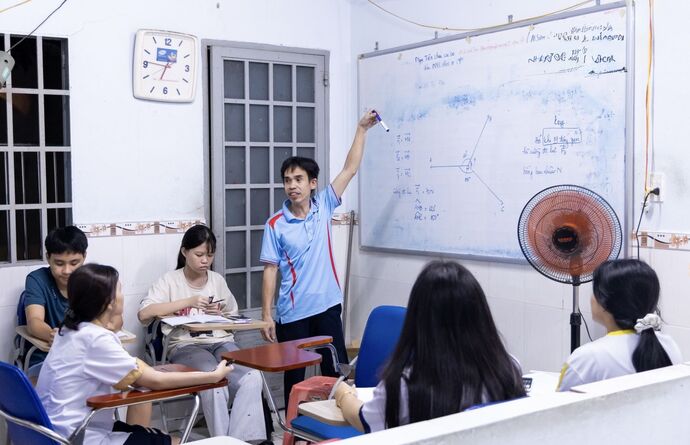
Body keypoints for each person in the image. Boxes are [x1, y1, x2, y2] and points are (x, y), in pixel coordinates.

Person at [36, 263, 232, 445]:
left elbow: (135, 374)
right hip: (78, 436)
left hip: (52, 431)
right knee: (174, 441)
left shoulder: (69, 331)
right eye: (120, 290)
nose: (123, 295)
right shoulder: (96, 339)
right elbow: (155, 381)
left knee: (153, 433)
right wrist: (212, 376)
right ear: (109, 302)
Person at [260, 111, 378, 405]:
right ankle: (293, 427)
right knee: (295, 379)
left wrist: (361, 129)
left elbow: (350, 169)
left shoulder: (324, 205)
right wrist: (266, 315)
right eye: (287, 180)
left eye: (298, 179)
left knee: (335, 375)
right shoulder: (275, 224)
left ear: (312, 183)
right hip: (293, 313)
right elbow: (270, 270)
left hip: (327, 306)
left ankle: (339, 422)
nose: (292, 186)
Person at [333, 260, 526, 432]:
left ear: (418, 320)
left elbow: (363, 420)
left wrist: (343, 394)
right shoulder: (508, 368)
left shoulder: (405, 384)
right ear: (480, 316)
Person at [138, 225, 268, 443]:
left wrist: (220, 313)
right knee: (212, 378)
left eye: (210, 255)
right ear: (184, 252)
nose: (205, 261)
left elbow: (233, 315)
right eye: (199, 255)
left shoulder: (217, 280)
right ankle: (221, 441)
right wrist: (188, 301)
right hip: (186, 346)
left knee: (252, 377)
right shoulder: (169, 281)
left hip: (221, 341)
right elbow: (144, 314)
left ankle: (244, 441)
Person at [557, 259, 682, 392]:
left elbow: (561, 403)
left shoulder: (586, 358)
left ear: (605, 301)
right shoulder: (668, 345)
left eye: (594, 291)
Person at [23, 225, 88, 367]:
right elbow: (34, 322)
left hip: (85, 357)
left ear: (84, 257)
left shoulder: (93, 281)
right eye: (59, 263)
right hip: (46, 358)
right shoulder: (37, 279)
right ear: (48, 258)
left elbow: (113, 322)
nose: (67, 271)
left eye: (74, 263)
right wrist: (56, 337)